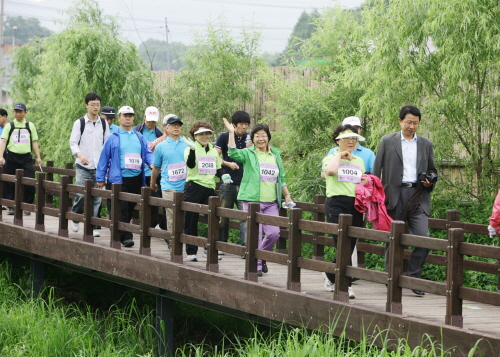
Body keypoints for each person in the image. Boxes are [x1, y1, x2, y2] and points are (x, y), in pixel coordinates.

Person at [372, 105, 437, 296]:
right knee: (394, 240)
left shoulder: (426, 144)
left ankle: (414, 278)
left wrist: (430, 179)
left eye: (415, 123)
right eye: (408, 122)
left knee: (423, 238)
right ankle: (390, 277)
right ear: (400, 121)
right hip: (393, 195)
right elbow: (376, 171)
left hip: (418, 195)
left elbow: (434, 170)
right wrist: (376, 198)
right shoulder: (387, 141)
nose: (412, 126)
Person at [223, 119, 293, 277]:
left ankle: (261, 258)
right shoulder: (248, 154)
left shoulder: (275, 155)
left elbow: (281, 177)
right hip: (251, 201)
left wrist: (287, 195)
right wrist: (231, 133)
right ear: (252, 139)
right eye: (257, 136)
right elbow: (233, 153)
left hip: (271, 203)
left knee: (274, 233)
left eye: (263, 136)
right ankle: (258, 264)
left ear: (268, 137)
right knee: (255, 234)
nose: (261, 139)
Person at [320, 124, 367, 298]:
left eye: (354, 138)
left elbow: (360, 182)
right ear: (337, 140)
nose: (351, 142)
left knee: (350, 245)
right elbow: (330, 171)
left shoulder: (359, 161)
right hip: (336, 203)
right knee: (342, 244)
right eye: (347, 138)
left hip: (355, 205)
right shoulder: (331, 157)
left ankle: (329, 275)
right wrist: (340, 155)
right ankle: (346, 285)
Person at [96, 106, 153, 248]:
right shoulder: (113, 137)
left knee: (130, 208)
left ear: (133, 118)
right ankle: (126, 237)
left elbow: (147, 154)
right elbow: (104, 158)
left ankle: (119, 230)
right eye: (125, 115)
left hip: (136, 178)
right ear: (120, 118)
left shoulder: (139, 137)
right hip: (118, 179)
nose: (128, 118)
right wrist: (100, 178)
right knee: (122, 207)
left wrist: (152, 164)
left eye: (130, 116)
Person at [69, 92, 110, 237]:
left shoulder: (104, 123)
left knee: (97, 197)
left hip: (99, 167)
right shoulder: (79, 123)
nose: (95, 107)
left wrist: (107, 164)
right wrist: (80, 155)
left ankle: (92, 226)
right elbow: (73, 143)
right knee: (80, 193)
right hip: (83, 165)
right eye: (92, 104)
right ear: (86, 105)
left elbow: (107, 145)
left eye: (98, 105)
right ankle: (75, 215)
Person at [183, 121, 222, 261]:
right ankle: (191, 251)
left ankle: (209, 248)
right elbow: (191, 164)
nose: (204, 136)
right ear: (195, 136)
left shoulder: (213, 150)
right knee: (191, 219)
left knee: (213, 219)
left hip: (209, 189)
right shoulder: (189, 149)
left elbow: (217, 168)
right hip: (194, 187)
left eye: (207, 133)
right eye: (201, 134)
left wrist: (224, 175)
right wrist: (193, 150)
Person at [214, 110, 250, 248]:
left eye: (246, 124)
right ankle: (221, 245)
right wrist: (227, 163)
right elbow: (214, 156)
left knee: (245, 217)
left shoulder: (249, 138)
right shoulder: (224, 137)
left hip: (245, 184)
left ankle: (246, 247)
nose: (244, 127)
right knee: (223, 216)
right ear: (234, 125)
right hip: (227, 183)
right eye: (241, 124)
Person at [150, 114, 188, 244]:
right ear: (167, 128)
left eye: (179, 125)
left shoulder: (188, 144)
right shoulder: (161, 146)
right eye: (173, 125)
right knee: (171, 216)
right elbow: (156, 167)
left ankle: (180, 240)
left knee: (183, 216)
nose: (176, 127)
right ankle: (173, 244)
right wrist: (153, 182)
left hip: (185, 186)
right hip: (168, 186)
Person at [0, 103, 42, 215]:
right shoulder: (9, 126)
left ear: (25, 113)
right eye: (16, 111)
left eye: (20, 111)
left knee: (29, 180)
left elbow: (34, 142)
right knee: (10, 182)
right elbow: (3, 141)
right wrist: (0, 156)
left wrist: (38, 157)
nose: (18, 114)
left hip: (26, 157)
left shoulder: (30, 125)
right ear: (13, 113)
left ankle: (27, 206)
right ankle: (11, 206)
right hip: (12, 157)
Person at [133, 107, 164, 229]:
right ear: (144, 117)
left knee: (155, 202)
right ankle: (131, 225)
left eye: (154, 121)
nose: (151, 123)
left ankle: (149, 228)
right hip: (137, 172)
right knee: (133, 199)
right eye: (149, 120)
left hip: (154, 173)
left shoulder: (160, 134)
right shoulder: (136, 131)